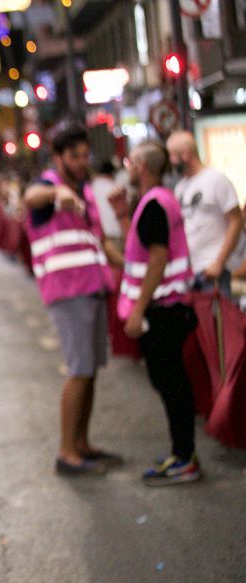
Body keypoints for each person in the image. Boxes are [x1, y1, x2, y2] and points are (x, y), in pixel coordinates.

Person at [23, 126, 124, 476]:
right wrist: (55, 194)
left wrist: (125, 264)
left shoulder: (86, 193)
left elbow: (98, 239)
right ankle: (67, 451)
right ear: (59, 157)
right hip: (68, 291)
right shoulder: (49, 186)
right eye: (74, 156)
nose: (82, 162)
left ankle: (82, 444)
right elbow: (31, 198)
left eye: (85, 156)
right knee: (79, 369)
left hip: (93, 287)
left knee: (91, 369)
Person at [110, 141, 200, 486]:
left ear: (143, 167)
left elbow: (158, 260)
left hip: (163, 309)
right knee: (168, 382)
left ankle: (184, 457)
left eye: (130, 162)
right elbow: (140, 249)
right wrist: (121, 213)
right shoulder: (153, 202)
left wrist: (138, 311)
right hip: (165, 307)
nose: (127, 168)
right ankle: (182, 454)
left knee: (172, 383)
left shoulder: (153, 205)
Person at [166, 130, 243, 297]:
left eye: (173, 156)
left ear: (185, 154)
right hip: (190, 271)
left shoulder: (216, 180)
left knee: (218, 320)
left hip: (212, 268)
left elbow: (236, 221)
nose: (171, 162)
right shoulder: (181, 188)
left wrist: (220, 262)